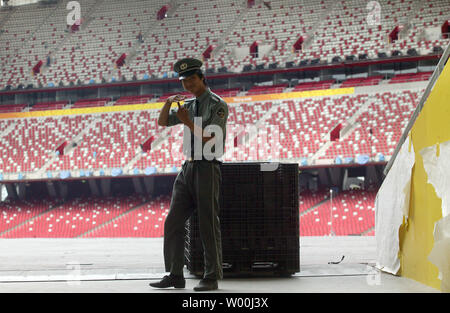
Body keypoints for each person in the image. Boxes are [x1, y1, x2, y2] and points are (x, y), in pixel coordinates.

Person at [150, 58, 228, 291]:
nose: (188, 85)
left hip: (207, 167)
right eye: (184, 81)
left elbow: (212, 137)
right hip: (188, 167)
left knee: (207, 224)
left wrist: (187, 122)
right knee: (173, 222)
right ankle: (175, 274)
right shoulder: (191, 105)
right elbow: (163, 122)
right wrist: (167, 104)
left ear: (202, 78)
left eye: (192, 79)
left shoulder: (217, 104)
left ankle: (211, 276)